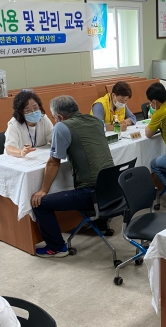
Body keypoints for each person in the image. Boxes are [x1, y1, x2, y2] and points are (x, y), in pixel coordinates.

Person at [32, 96, 113, 256]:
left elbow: (53, 162)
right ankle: (101, 223)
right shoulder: (96, 121)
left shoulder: (62, 126)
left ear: (59, 116)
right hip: (112, 189)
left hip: (91, 193)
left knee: (40, 203)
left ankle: (56, 247)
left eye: (54, 118)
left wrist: (43, 190)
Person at [4, 90, 54, 158]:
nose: (33, 112)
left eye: (35, 108)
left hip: (40, 156)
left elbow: (52, 138)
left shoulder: (43, 119)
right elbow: (9, 147)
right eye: (28, 110)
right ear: (20, 112)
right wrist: (21, 152)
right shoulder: (14, 124)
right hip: (20, 158)